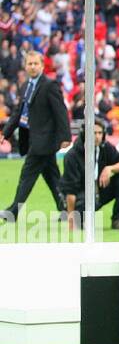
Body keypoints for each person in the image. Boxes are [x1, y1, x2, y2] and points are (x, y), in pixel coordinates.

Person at [1, 51, 71, 222]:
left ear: (42, 65)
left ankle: (13, 212)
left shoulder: (50, 85)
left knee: (27, 175)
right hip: (32, 138)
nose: (32, 67)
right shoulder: (25, 86)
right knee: (52, 176)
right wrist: (6, 133)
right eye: (29, 64)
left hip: (44, 140)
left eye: (35, 64)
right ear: (25, 66)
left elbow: (60, 112)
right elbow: (19, 112)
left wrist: (65, 136)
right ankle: (66, 210)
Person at [61, 118, 119, 230]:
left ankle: (118, 220)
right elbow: (70, 190)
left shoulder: (105, 147)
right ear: (84, 134)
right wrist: (71, 220)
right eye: (94, 133)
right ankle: (71, 216)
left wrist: (110, 168)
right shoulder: (72, 156)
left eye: (100, 133)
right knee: (78, 222)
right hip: (80, 195)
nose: (97, 136)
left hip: (100, 191)